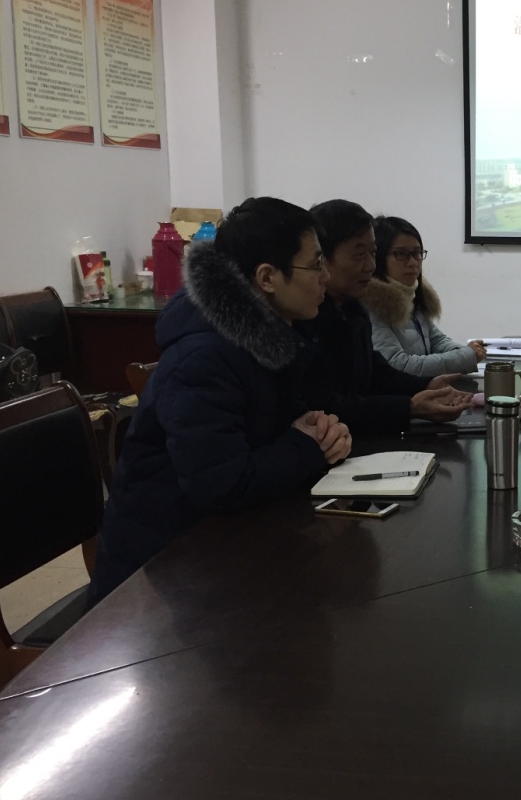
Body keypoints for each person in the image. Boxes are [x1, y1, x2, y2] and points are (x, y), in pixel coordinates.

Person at [91, 198, 352, 604]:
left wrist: (323, 432)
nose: (326, 276)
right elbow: (221, 485)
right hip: (158, 581)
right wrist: (309, 444)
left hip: (224, 549)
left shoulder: (268, 337)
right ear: (267, 277)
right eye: (316, 264)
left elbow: (279, 429)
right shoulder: (204, 360)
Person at [297, 200, 472, 435]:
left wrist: (425, 385)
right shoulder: (304, 317)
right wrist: (409, 408)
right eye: (359, 255)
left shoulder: (353, 308)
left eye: (373, 253)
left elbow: (375, 371)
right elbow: (323, 405)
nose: (370, 266)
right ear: (322, 259)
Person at [364, 215, 485, 377]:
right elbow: (398, 365)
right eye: (402, 254)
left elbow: (437, 341)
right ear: (379, 257)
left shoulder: (412, 295)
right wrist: (465, 356)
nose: (413, 262)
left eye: (417, 253)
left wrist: (467, 352)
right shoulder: (371, 306)